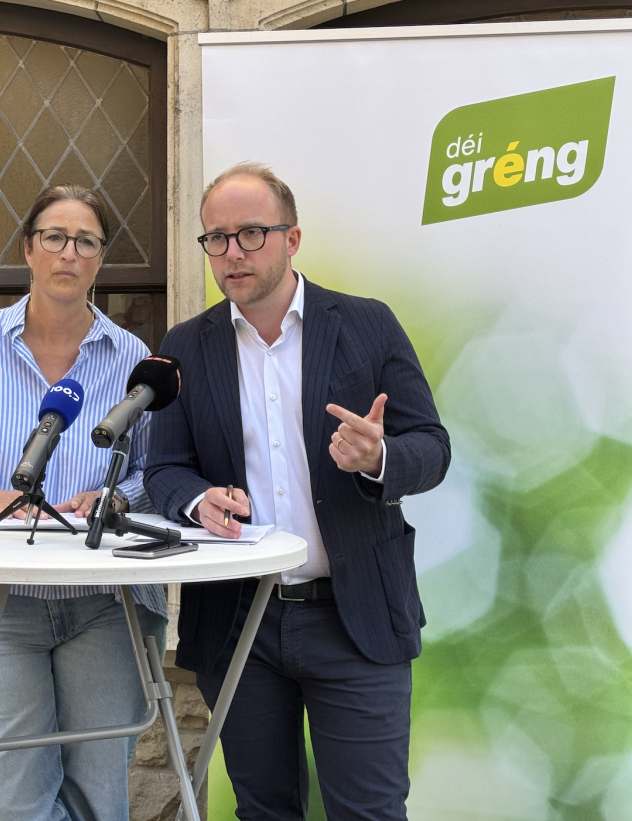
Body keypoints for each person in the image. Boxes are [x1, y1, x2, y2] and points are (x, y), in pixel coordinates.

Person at [144, 163, 450, 820]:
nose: (233, 252)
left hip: (355, 616)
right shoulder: (187, 347)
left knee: (368, 811)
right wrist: (200, 500)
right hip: (238, 623)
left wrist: (379, 457)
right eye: (217, 238)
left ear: (293, 238)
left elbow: (433, 447)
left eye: (252, 233)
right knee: (263, 811)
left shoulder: (367, 325)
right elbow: (163, 469)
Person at [0, 184, 168, 821]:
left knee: (97, 800)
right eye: (54, 237)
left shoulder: (132, 358)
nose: (69, 253)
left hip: (106, 603)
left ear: (100, 260)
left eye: (86, 241)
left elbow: (150, 474)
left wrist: (111, 498)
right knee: (3, 805)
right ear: (28, 250)